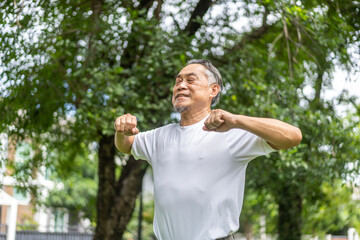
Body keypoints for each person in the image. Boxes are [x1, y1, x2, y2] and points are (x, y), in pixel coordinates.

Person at [114, 59, 302, 240]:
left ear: (213, 90)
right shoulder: (159, 137)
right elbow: (127, 145)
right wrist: (122, 131)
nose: (180, 85)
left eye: (190, 80)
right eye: (178, 81)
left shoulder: (231, 131)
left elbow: (292, 136)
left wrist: (237, 120)